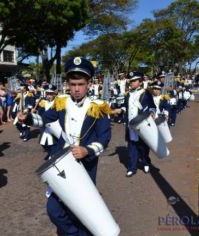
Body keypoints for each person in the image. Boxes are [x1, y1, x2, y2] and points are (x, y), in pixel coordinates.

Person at [19, 57, 112, 235]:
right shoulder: (61, 102)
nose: (76, 89)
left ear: (89, 83)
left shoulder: (98, 107)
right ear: (67, 84)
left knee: (82, 209)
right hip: (63, 163)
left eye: (81, 84)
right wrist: (29, 118)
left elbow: (104, 140)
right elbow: (44, 120)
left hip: (86, 164)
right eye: (72, 84)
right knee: (54, 210)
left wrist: (87, 150)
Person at [118, 71, 156, 177]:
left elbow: (152, 106)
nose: (132, 82)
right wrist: (120, 110)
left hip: (142, 124)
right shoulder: (128, 94)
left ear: (140, 82)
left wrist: (152, 112)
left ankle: (146, 162)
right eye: (131, 81)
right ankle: (132, 167)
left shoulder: (146, 93)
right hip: (130, 124)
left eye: (134, 81)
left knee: (143, 146)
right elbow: (126, 107)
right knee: (131, 146)